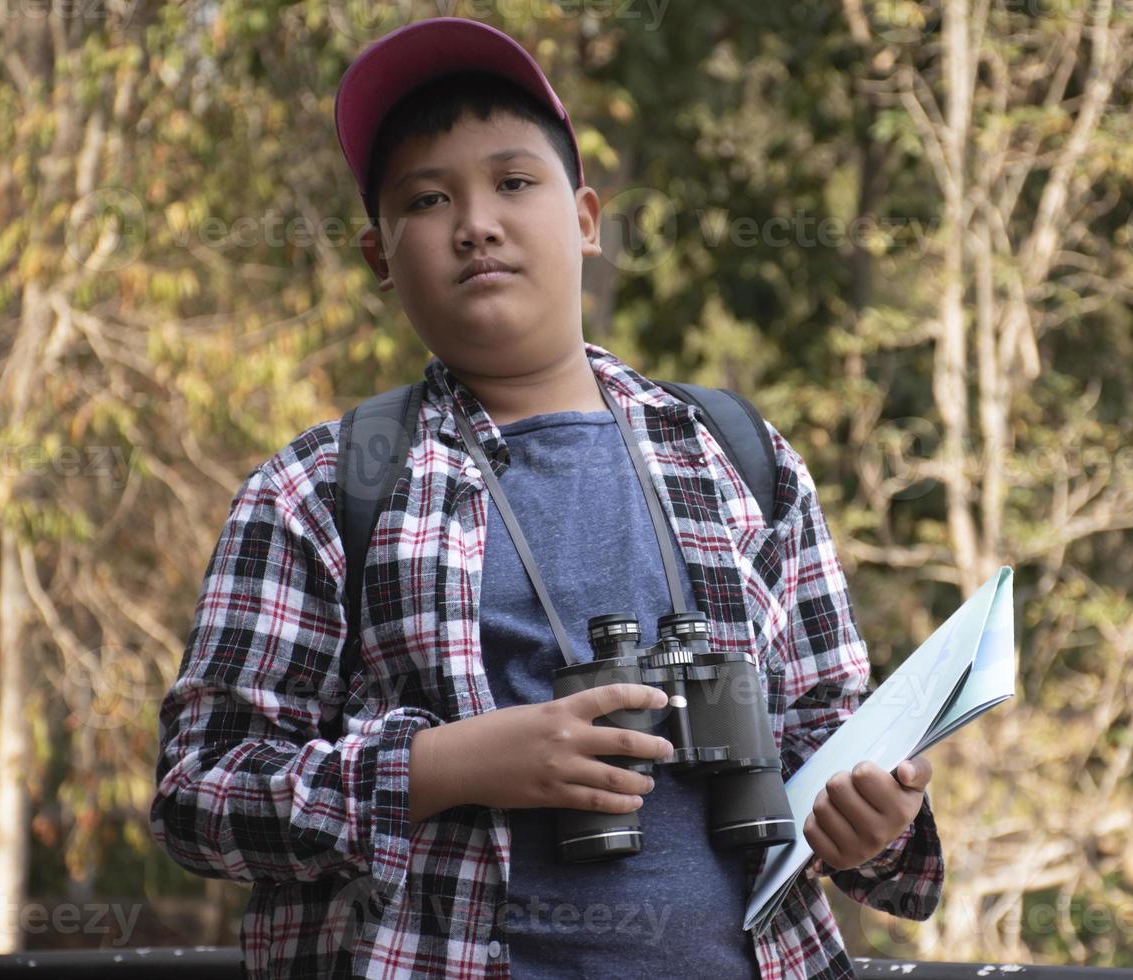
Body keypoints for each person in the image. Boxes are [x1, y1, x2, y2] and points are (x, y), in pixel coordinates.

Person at [149, 17, 943, 980]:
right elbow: (197, 795)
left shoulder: (740, 457)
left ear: (586, 219)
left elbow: (833, 736)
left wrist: (877, 820)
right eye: (429, 200)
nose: (476, 221)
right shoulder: (320, 489)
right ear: (379, 256)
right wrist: (441, 770)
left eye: (515, 182)